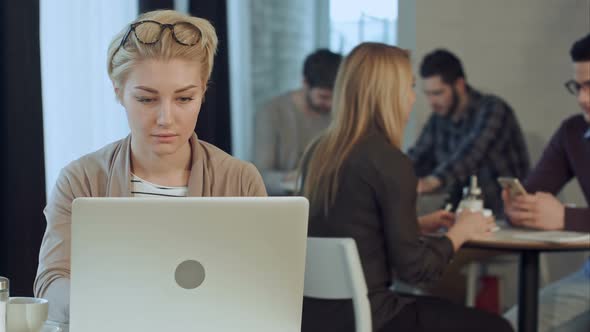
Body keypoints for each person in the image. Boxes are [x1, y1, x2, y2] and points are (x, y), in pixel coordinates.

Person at [34, 10, 266, 324]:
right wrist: (103, 309)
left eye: (184, 99)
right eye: (146, 100)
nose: (165, 118)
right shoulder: (81, 180)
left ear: (203, 94)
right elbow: (52, 282)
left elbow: (263, 288)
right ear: (119, 94)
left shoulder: (240, 180)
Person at [299, 42, 513, 332]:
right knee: (497, 327)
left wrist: (417, 225)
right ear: (389, 94)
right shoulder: (389, 161)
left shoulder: (317, 153)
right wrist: (460, 231)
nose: (414, 99)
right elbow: (417, 270)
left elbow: (350, 228)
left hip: (314, 316)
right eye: (411, 87)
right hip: (372, 317)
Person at [503, 33, 590, 332]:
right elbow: (534, 190)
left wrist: (565, 217)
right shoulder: (573, 133)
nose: (582, 99)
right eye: (577, 87)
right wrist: (521, 208)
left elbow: (563, 217)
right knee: (509, 327)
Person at [408, 49, 530, 215]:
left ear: (459, 85)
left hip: (505, 217)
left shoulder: (493, 109)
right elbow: (418, 155)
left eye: (438, 93)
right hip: (463, 217)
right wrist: (394, 177)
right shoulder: (438, 119)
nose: (432, 102)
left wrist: (431, 182)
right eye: (428, 94)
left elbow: (470, 155)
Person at [254, 49, 342, 195]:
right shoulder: (272, 112)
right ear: (305, 83)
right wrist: (291, 179)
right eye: (324, 97)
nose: (331, 104)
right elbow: (260, 174)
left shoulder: (337, 112)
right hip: (285, 203)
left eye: (335, 97)